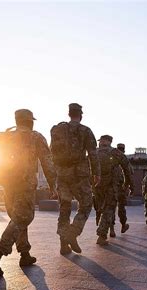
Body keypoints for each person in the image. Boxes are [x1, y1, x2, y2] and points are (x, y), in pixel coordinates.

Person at [0, 109, 57, 275]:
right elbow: (48, 162)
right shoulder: (35, 137)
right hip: (25, 184)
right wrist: (53, 185)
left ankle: (24, 254)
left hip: (7, 184)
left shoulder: (3, 136)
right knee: (24, 217)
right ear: (30, 121)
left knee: (17, 218)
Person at [50, 103, 100, 255]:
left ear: (69, 113)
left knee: (64, 208)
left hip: (61, 174)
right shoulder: (85, 130)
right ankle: (73, 233)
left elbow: (52, 151)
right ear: (81, 114)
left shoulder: (57, 129)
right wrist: (96, 173)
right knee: (86, 204)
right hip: (79, 175)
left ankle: (64, 245)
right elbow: (92, 153)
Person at [95, 135, 132, 245]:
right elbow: (127, 169)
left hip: (96, 186)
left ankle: (107, 229)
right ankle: (102, 235)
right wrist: (127, 184)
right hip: (111, 186)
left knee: (102, 209)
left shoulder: (93, 152)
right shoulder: (116, 153)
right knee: (109, 209)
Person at [109, 143, 134, 237]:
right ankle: (123, 225)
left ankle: (111, 229)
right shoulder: (124, 160)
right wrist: (131, 187)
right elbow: (129, 174)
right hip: (121, 188)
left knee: (111, 208)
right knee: (121, 208)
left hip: (111, 187)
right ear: (124, 150)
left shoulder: (111, 160)